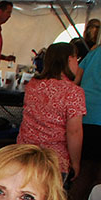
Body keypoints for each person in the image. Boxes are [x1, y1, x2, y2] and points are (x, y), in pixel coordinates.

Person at [17, 42, 85, 178]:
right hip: (54, 161)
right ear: (70, 59)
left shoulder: (32, 85)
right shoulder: (73, 92)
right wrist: (75, 163)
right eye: (76, 59)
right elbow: (74, 131)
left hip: (25, 154)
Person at [70, 38, 101, 200]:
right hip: (99, 118)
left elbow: (76, 79)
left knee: (83, 172)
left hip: (85, 116)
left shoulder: (94, 53)